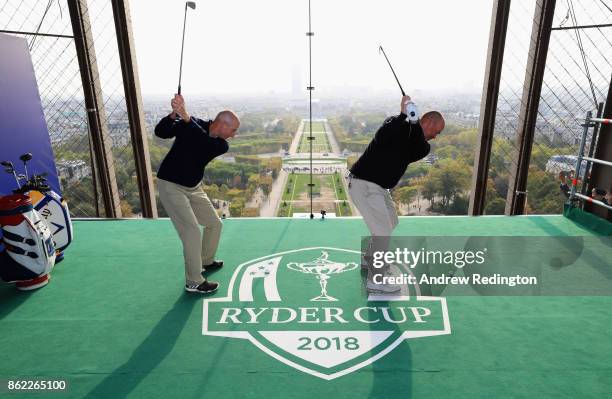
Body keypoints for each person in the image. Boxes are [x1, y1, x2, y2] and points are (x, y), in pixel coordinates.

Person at [348, 95, 444, 293]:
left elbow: (415, 144)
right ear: (429, 122)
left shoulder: (423, 146)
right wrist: (404, 116)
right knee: (382, 231)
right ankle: (376, 279)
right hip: (364, 184)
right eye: (437, 131)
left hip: (380, 188)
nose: (436, 136)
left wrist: (414, 122)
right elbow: (382, 136)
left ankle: (370, 260)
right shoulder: (395, 124)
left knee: (391, 222)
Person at [155, 94, 239, 294]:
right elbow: (161, 132)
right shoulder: (191, 123)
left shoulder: (220, 144)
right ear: (222, 125)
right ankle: (193, 281)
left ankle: (206, 261)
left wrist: (185, 116)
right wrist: (173, 115)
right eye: (233, 130)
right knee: (191, 232)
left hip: (193, 187)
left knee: (214, 223)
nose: (235, 135)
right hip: (171, 185)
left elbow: (202, 141)